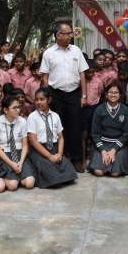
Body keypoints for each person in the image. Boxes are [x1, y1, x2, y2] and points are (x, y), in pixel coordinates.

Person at [39, 23, 88, 171]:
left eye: (70, 33)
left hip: (74, 94)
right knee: (58, 127)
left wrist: (84, 95)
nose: (70, 36)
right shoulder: (48, 53)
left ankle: (77, 159)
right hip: (56, 94)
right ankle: (62, 157)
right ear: (58, 35)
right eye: (67, 33)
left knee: (75, 126)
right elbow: (45, 76)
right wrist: (47, 96)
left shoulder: (76, 51)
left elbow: (82, 74)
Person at [27, 87, 77, 188]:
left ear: (49, 100)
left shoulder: (55, 116)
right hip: (39, 150)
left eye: (42, 99)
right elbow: (33, 141)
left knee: (71, 173)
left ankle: (56, 175)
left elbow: (61, 138)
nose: (38, 102)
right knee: (52, 175)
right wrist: (49, 156)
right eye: (36, 99)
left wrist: (59, 154)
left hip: (54, 148)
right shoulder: (32, 117)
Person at [88, 82, 128, 177]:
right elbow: (95, 134)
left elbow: (126, 134)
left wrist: (114, 150)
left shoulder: (126, 110)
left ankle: (114, 166)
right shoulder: (99, 109)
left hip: (119, 145)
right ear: (106, 95)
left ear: (120, 95)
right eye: (111, 92)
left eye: (116, 92)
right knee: (98, 172)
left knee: (115, 173)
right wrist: (103, 151)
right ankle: (103, 163)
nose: (113, 95)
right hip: (102, 144)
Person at [0, 96, 36, 190]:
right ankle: (4, 178)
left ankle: (18, 177)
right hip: (4, 155)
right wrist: (11, 163)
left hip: (20, 154)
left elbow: (25, 145)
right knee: (13, 185)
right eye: (14, 108)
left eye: (18, 107)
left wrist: (21, 162)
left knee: (30, 183)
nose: (18, 110)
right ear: (5, 110)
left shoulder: (22, 121)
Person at [82, 60, 104, 169]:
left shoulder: (98, 81)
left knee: (93, 133)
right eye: (88, 72)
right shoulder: (81, 81)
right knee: (84, 134)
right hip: (83, 109)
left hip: (94, 108)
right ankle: (83, 158)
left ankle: (93, 157)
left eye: (92, 72)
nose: (90, 74)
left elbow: (100, 93)